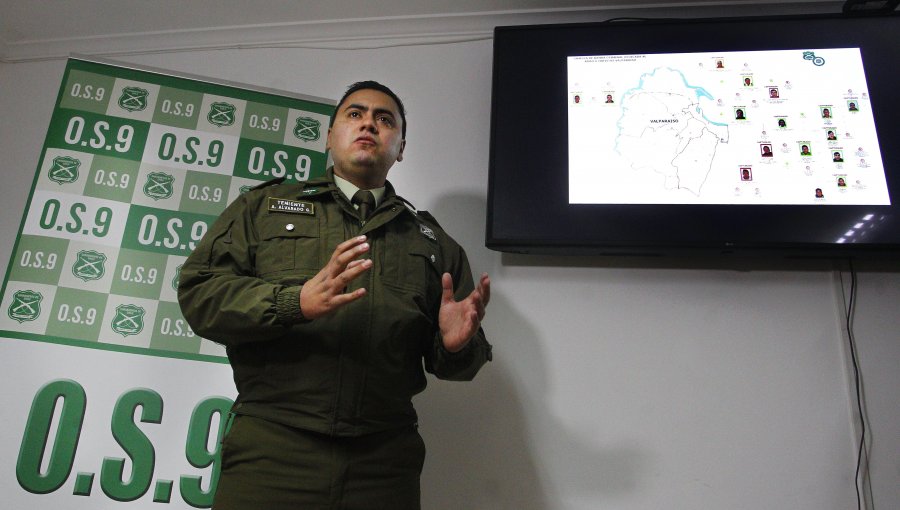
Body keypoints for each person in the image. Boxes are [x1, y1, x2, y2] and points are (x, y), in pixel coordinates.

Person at [178, 80, 493, 510]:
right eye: (355, 114)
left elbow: (456, 366)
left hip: (384, 463)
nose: (369, 124)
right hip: (273, 449)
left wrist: (457, 348)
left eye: (385, 120)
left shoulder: (435, 244)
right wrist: (295, 303)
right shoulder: (263, 208)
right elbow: (201, 296)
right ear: (329, 137)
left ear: (400, 147)